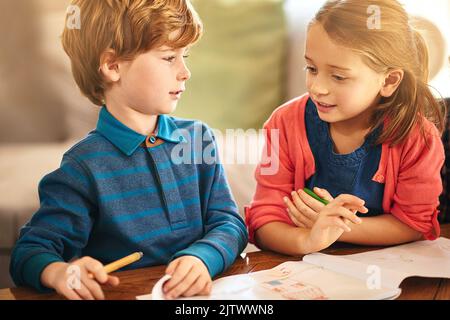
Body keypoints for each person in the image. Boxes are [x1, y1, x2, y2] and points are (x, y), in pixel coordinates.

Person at [10, 0, 247, 300]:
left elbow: (230, 223)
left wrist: (203, 257)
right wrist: (61, 272)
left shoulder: (199, 139)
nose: (185, 71)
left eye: (184, 56)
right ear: (112, 66)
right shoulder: (83, 166)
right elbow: (30, 252)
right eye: (169, 57)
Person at [246, 0, 445, 256]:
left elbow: (414, 223)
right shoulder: (283, 123)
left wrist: (335, 226)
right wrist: (308, 240)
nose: (317, 87)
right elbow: (264, 219)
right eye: (312, 68)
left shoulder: (418, 137)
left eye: (338, 76)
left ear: (389, 80)